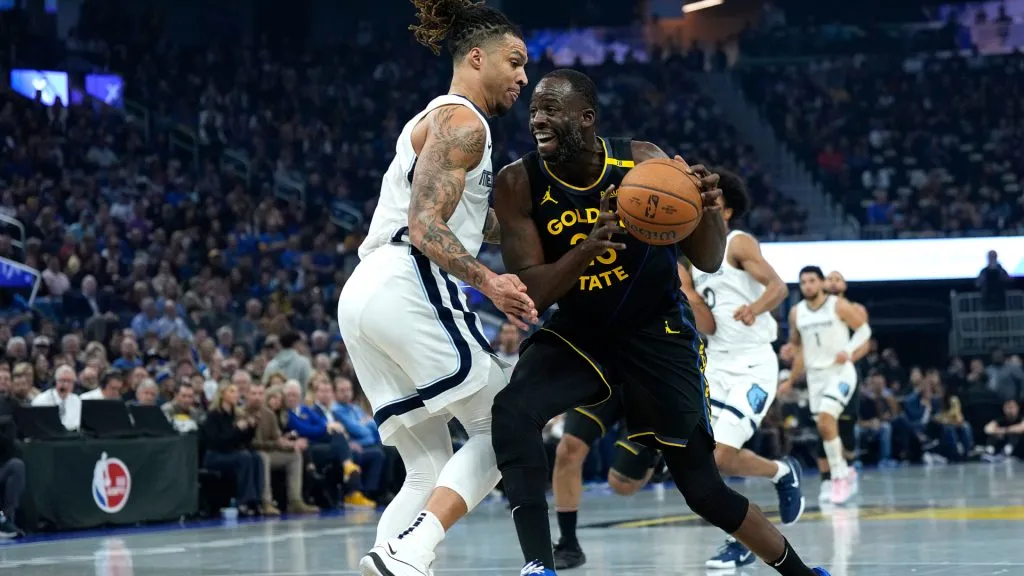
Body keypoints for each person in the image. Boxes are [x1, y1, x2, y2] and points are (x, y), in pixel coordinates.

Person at [491, 68, 831, 576]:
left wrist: (708, 210)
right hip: (582, 331)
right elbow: (532, 292)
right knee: (513, 410)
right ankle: (540, 565)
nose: (536, 118)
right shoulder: (517, 182)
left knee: (702, 489)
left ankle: (803, 574)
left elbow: (708, 259)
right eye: (534, 109)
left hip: (657, 333)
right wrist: (587, 248)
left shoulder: (643, 162)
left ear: (586, 118)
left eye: (550, 109)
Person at [335, 1, 535, 575]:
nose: (524, 77)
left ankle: (393, 563)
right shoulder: (465, 123)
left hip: (365, 293)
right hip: (408, 280)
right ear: (476, 58)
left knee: (426, 467)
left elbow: (469, 220)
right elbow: (425, 226)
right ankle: (412, 552)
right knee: (507, 425)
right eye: (515, 62)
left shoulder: (442, 120)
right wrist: (490, 283)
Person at [678, 169, 803, 570]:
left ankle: (780, 474)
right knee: (704, 462)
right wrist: (688, 293)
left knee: (721, 457)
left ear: (727, 211)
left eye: (710, 202)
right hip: (715, 363)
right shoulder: (696, 260)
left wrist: (755, 307)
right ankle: (747, 530)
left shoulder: (738, 242)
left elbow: (778, 287)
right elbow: (710, 326)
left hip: (752, 362)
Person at [781, 266, 872, 506]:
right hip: (815, 377)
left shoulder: (838, 305)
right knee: (824, 428)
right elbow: (797, 346)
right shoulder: (796, 312)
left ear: (821, 283)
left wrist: (849, 351)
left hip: (840, 372)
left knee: (827, 420)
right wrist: (790, 358)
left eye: (812, 280)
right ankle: (837, 476)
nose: (807, 285)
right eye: (803, 282)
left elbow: (864, 330)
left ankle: (839, 476)